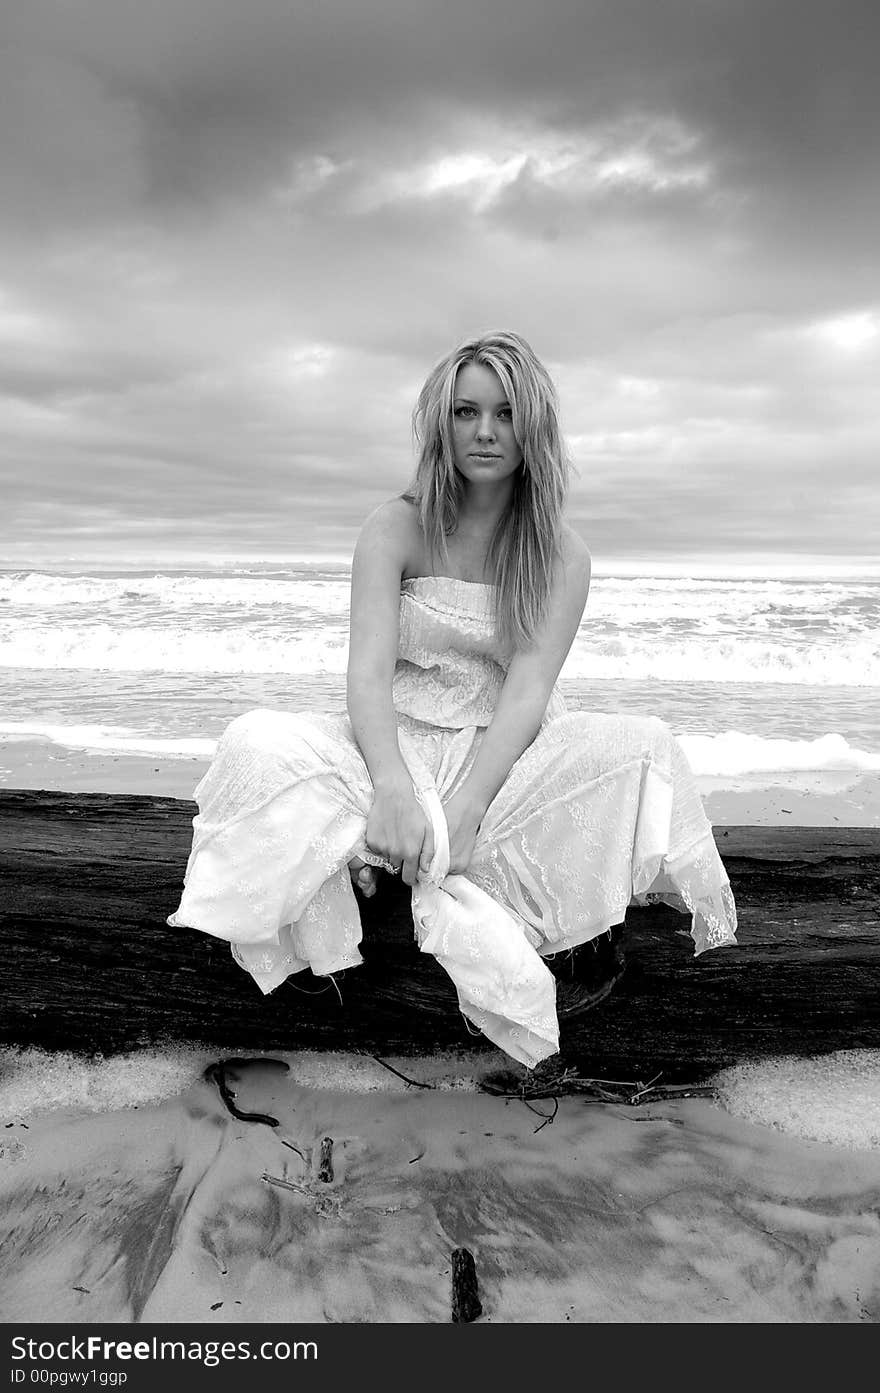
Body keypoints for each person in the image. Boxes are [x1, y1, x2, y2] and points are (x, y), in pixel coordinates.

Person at [168, 331, 737, 1066]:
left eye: (505, 413)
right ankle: (387, 836)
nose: (486, 432)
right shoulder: (394, 526)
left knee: (643, 745)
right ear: (443, 422)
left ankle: (382, 854)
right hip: (392, 738)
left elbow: (529, 693)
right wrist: (391, 785)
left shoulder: (563, 554)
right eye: (467, 412)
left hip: (501, 754)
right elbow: (367, 676)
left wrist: (466, 809)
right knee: (255, 741)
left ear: (532, 425)